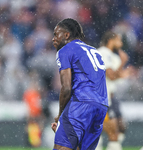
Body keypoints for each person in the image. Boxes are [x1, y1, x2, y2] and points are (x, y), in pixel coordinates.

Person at [51, 18, 108, 150]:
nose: (53, 38)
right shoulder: (95, 52)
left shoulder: (65, 50)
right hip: (101, 106)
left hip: (81, 103)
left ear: (66, 35)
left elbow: (66, 88)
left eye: (56, 34)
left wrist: (60, 117)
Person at [96, 31, 130, 150]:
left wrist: (121, 73)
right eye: (118, 40)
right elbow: (111, 75)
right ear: (111, 40)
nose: (120, 43)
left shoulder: (109, 54)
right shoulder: (103, 52)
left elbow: (113, 76)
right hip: (101, 99)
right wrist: (123, 62)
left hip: (105, 98)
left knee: (100, 133)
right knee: (113, 134)